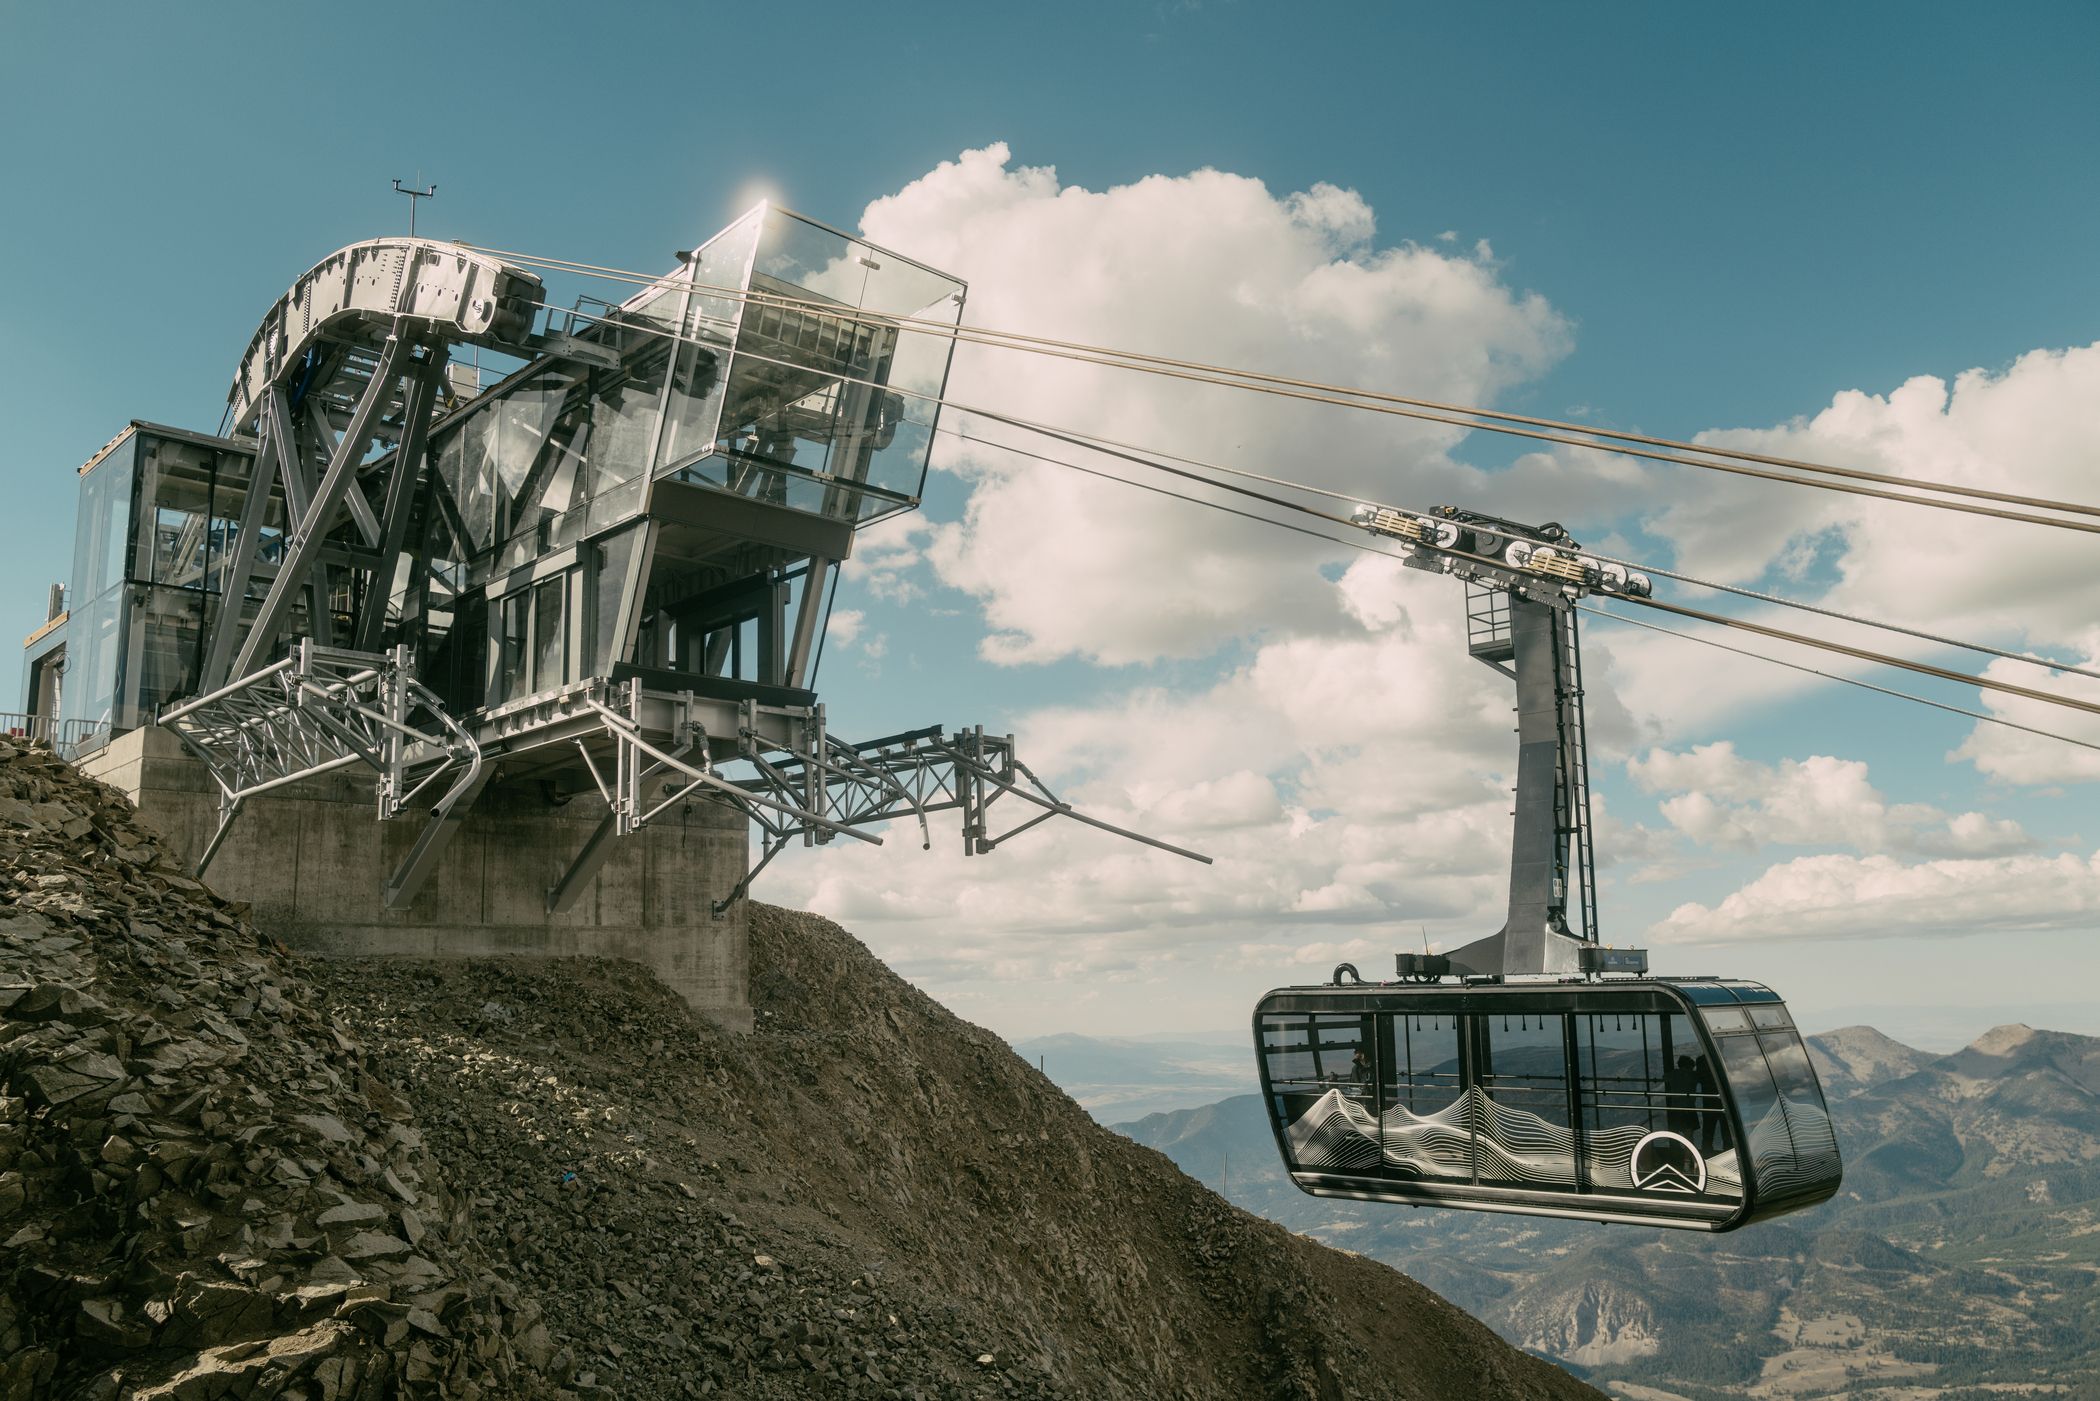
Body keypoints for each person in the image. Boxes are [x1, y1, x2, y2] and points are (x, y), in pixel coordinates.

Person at [1664, 1054, 1698, 1141]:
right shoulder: (1692, 1075)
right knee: (1689, 1135)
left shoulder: (1674, 1074)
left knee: (1677, 1133)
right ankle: (1689, 1153)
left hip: (1676, 1107)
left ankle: (1681, 1152)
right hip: (1689, 1107)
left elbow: (1665, 1077)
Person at [1692, 1055, 1721, 1153]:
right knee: (1727, 1133)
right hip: (1722, 1102)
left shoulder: (1701, 1060)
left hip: (1708, 1101)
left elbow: (1698, 1077)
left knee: (1708, 1132)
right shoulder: (1722, 1059)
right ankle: (1729, 1155)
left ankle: (1707, 1155)